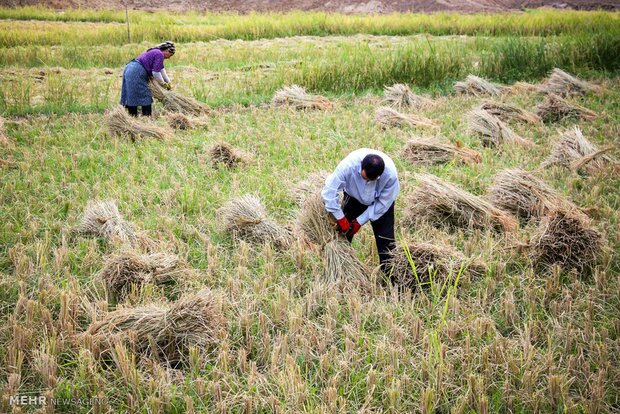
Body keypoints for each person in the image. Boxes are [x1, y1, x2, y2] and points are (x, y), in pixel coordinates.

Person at [321, 148, 400, 274]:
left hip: (380, 204)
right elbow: (329, 193)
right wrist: (340, 218)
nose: (366, 181)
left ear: (379, 176)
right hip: (353, 198)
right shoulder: (349, 165)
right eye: (363, 177)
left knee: (386, 244)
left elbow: (383, 203)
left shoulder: (390, 175)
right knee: (342, 236)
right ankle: (341, 271)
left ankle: (392, 277)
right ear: (361, 167)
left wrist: (359, 221)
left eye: (370, 180)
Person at [120, 41, 175, 117]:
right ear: (167, 50)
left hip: (130, 68)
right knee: (144, 95)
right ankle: (146, 117)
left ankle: (133, 117)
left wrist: (168, 83)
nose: (169, 58)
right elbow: (156, 73)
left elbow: (162, 70)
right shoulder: (159, 54)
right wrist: (163, 84)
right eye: (170, 55)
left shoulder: (156, 52)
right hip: (136, 71)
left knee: (131, 94)